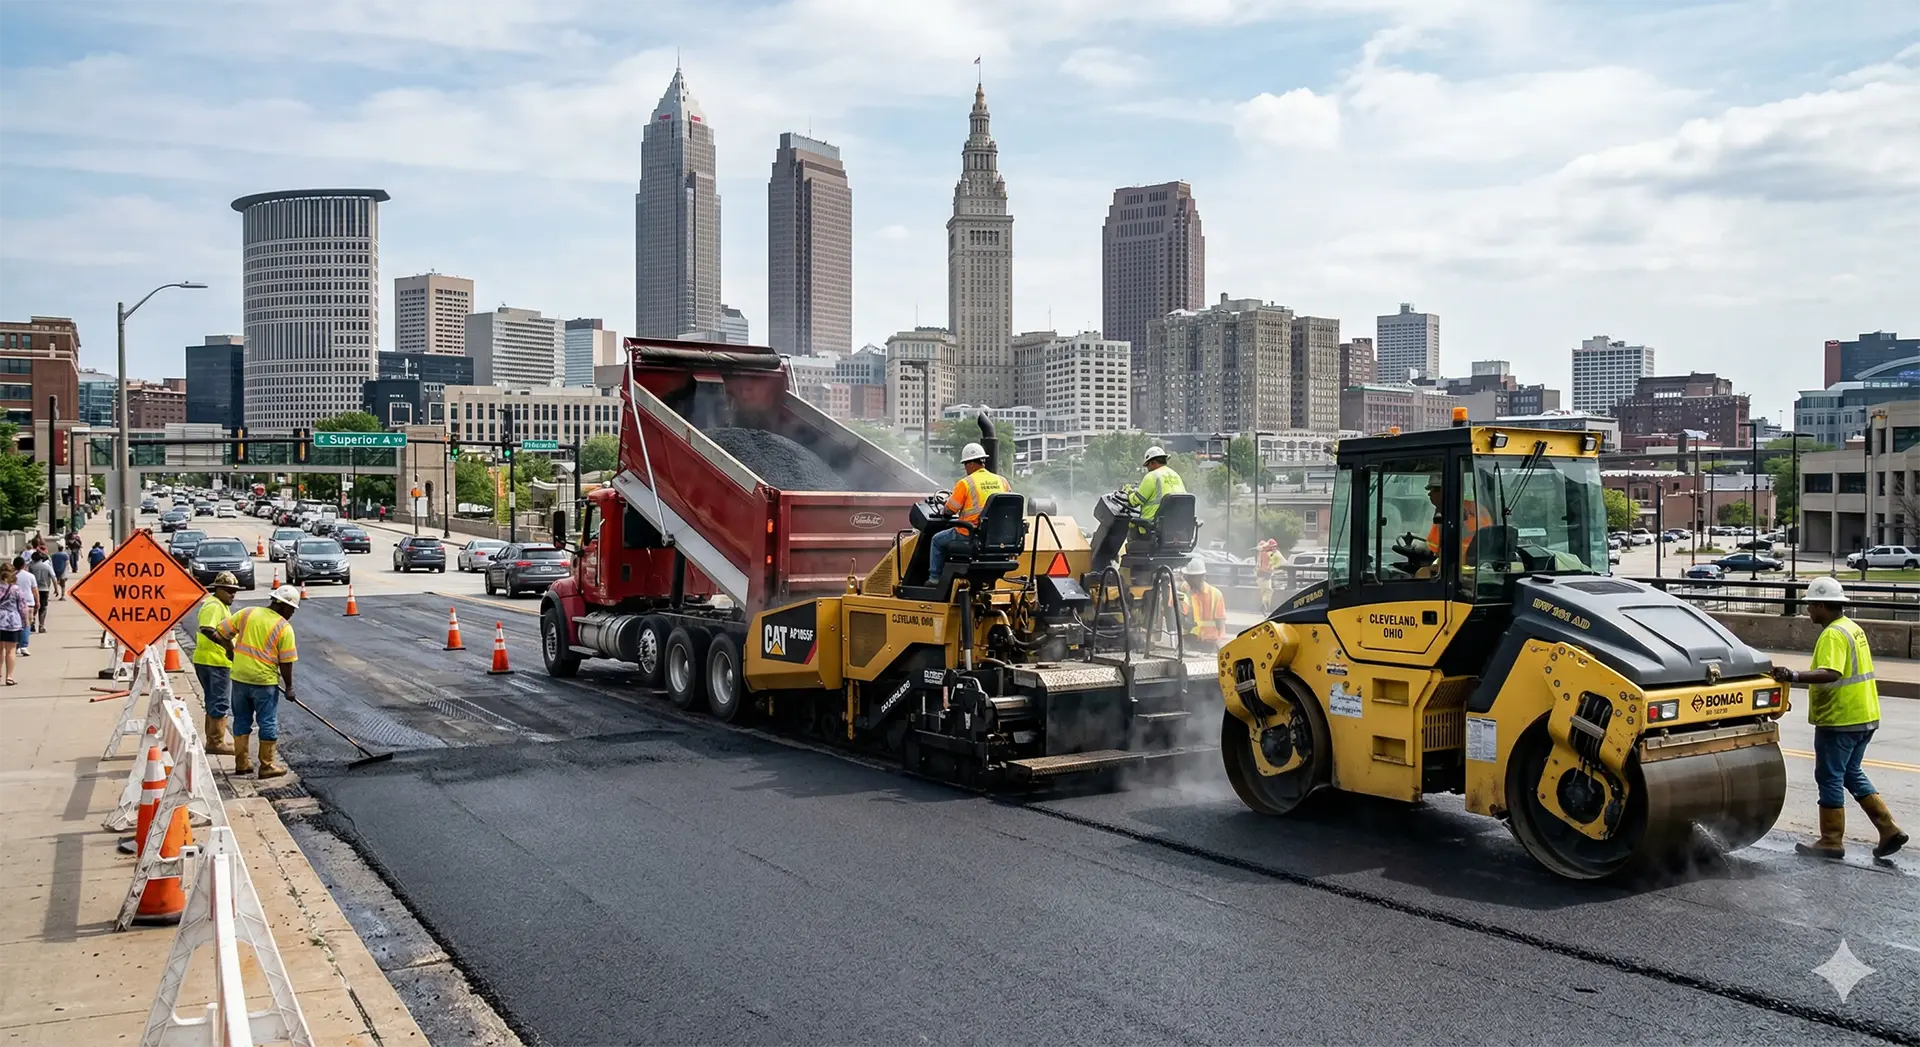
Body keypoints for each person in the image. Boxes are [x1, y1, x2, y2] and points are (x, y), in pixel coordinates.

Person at [1772, 576, 1907, 859]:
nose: (1808, 610)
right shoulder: (1852, 628)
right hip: (1865, 715)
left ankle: (1831, 840)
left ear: (1821, 604)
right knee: (1850, 772)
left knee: (1829, 776)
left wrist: (1793, 675)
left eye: (1810, 605)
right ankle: (1889, 829)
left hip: (1840, 719)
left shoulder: (1833, 634)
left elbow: (1831, 673)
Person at [210, 584, 300, 779]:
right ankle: (266, 766)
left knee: (241, 720)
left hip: (240, 678)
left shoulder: (247, 613)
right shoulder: (284, 628)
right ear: (284, 606)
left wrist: (229, 649)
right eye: (292, 609)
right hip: (264, 682)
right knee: (267, 721)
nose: (292, 613)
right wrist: (290, 688)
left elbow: (219, 633)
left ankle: (241, 764)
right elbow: (286, 663)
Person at [927, 442, 1011, 581]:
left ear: (971, 464)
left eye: (965, 464)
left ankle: (934, 579)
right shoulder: (1002, 481)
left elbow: (950, 510)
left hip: (970, 534)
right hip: (997, 537)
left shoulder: (965, 483)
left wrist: (944, 510)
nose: (965, 468)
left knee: (936, 540)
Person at [193, 572, 241, 756]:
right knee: (219, 701)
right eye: (229, 590)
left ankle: (214, 739)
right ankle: (216, 741)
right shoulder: (213, 605)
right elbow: (207, 629)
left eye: (234, 591)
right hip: (213, 661)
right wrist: (228, 646)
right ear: (218, 589)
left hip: (213, 661)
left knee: (214, 700)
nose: (232, 594)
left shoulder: (220, 606)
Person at [1127, 447, 1186, 536]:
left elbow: (1135, 501)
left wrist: (1129, 492)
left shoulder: (1152, 476)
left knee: (1131, 526)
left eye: (1147, 465)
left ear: (1153, 462)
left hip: (1151, 529)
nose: (1148, 469)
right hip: (1175, 531)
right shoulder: (1176, 476)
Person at [1182, 556, 1228, 649]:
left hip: (1210, 643)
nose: (1189, 581)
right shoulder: (1184, 590)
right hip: (1188, 641)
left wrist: (1220, 642)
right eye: (1189, 577)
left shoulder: (1215, 594)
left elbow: (1221, 624)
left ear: (1203, 577)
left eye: (1193, 578)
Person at [0, 565, 28, 685]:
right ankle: (9, 677)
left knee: (0, 649)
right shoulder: (16, 589)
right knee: (11, 650)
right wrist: (26, 619)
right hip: (12, 621)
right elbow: (22, 606)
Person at [27, 553, 53, 631]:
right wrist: (56, 588)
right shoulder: (47, 566)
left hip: (34, 589)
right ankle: (41, 626)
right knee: (43, 608)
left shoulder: (31, 566)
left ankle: (32, 622)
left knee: (34, 606)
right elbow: (53, 577)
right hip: (45, 589)